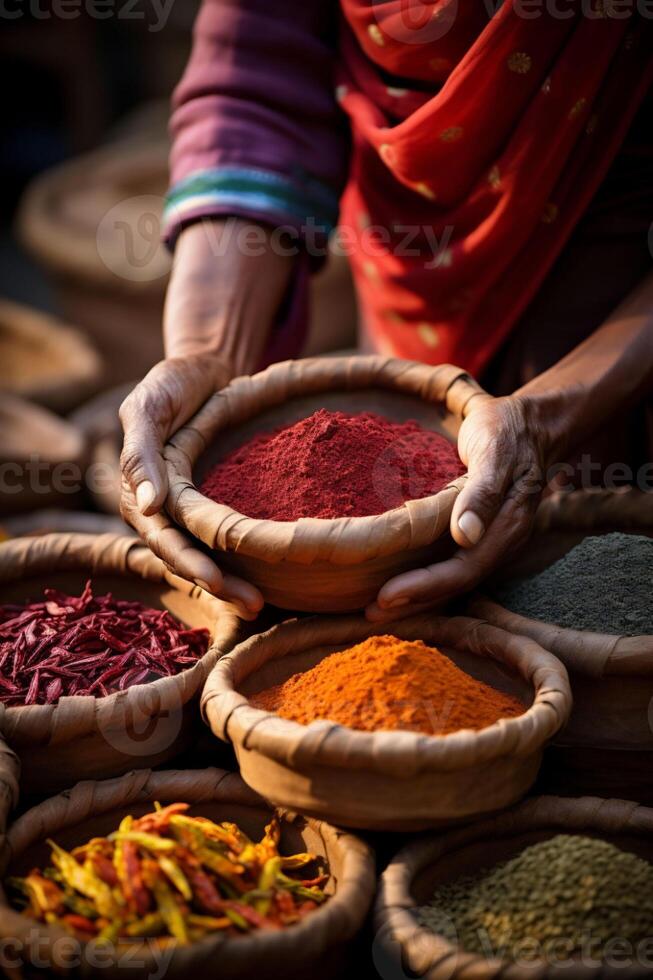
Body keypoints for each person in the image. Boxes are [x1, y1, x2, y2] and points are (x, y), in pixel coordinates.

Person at [120, 0, 653, 621]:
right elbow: (254, 79)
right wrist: (206, 354)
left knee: (589, 565)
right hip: (404, 273)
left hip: (616, 318)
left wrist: (547, 420)